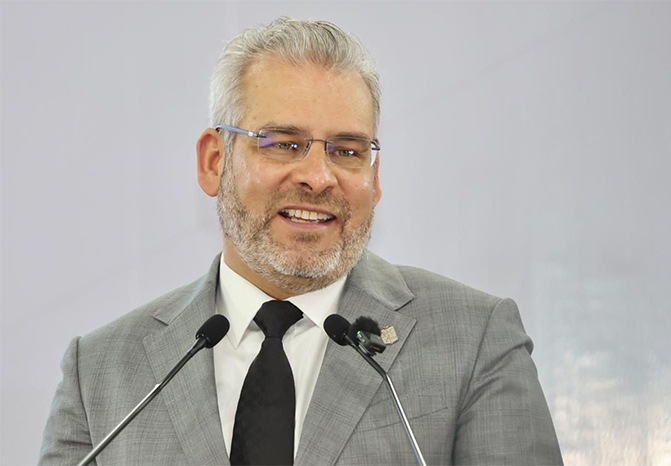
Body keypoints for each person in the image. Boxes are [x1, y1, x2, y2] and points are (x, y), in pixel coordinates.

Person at [39, 17, 563, 465]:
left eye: (347, 151)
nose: (318, 176)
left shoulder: (474, 341)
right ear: (214, 162)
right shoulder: (100, 371)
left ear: (375, 179)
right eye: (283, 144)